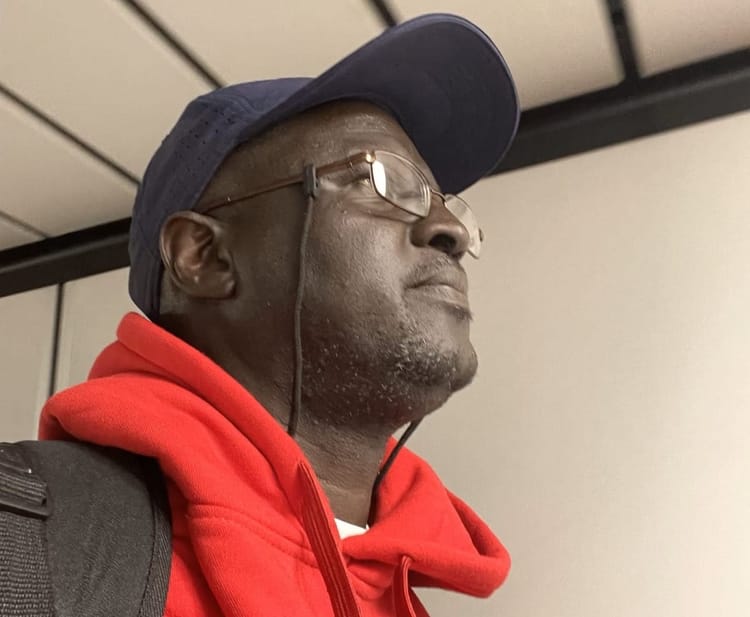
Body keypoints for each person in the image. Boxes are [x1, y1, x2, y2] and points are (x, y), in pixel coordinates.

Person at [35, 13, 519, 617]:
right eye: (383, 180)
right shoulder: (29, 555)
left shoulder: (400, 595)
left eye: (445, 203)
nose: (450, 229)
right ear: (205, 257)